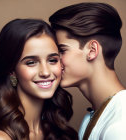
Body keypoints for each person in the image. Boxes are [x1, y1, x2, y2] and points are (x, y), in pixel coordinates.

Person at [0, 19, 78, 140]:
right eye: (31, 62)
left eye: (52, 60)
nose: (45, 72)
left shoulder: (55, 129)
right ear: (11, 71)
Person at [49, 2, 126, 140]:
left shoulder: (119, 125)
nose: (55, 61)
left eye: (62, 51)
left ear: (92, 51)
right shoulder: (95, 115)